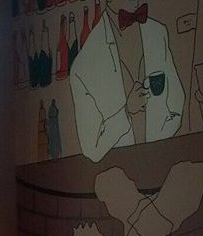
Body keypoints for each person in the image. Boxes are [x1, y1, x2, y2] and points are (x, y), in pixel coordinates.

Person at [70, 0, 184, 162]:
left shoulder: (158, 33)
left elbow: (177, 103)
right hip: (118, 170)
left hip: (162, 158)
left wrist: (160, 143)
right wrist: (126, 113)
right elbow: (91, 148)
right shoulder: (83, 66)